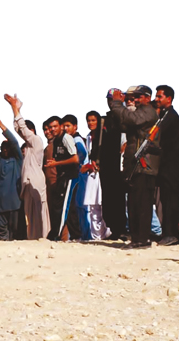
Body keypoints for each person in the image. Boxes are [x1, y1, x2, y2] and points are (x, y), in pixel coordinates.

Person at [108, 85, 159, 248]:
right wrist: (115, 107)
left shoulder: (148, 112)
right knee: (134, 204)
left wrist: (117, 104)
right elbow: (123, 124)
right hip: (135, 166)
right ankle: (137, 238)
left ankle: (141, 239)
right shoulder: (139, 112)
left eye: (138, 96)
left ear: (147, 97)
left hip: (144, 166)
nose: (135, 100)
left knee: (142, 204)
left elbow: (132, 119)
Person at [5, 93, 49, 239]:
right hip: (27, 184)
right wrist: (16, 109)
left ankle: (43, 237)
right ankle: (33, 239)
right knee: (29, 216)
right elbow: (19, 129)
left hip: (36, 182)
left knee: (40, 213)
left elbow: (22, 128)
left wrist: (14, 108)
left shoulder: (36, 140)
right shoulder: (27, 147)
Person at [154, 85, 179, 245]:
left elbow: (157, 133)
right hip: (165, 167)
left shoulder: (171, 116)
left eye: (159, 96)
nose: (156, 99)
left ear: (169, 98)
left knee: (170, 202)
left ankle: (171, 234)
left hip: (171, 168)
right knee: (165, 201)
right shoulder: (164, 115)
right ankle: (168, 233)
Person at [0, 116, 23, 240]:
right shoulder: (1, 160)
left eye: (7, 148)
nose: (5, 150)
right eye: (3, 148)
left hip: (14, 202)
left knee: (15, 230)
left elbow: (14, 142)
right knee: (1, 232)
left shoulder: (17, 160)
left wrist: (1, 125)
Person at [44, 115, 81, 240]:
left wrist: (56, 164)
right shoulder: (56, 140)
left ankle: (55, 235)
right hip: (62, 177)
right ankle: (76, 235)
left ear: (60, 126)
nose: (53, 129)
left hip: (70, 177)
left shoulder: (66, 138)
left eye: (55, 126)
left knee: (63, 206)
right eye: (50, 127)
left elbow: (75, 158)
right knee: (68, 208)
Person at [99, 89, 127, 241]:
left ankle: (122, 229)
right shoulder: (106, 119)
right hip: (107, 164)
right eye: (109, 99)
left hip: (119, 165)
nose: (111, 102)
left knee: (118, 199)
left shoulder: (123, 116)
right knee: (108, 199)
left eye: (113, 99)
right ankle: (114, 229)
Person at [81, 111, 110, 240]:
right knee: (93, 207)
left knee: (103, 204)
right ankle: (96, 236)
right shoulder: (88, 137)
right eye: (88, 120)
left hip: (102, 173)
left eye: (93, 120)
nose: (90, 123)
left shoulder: (104, 136)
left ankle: (106, 233)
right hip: (91, 174)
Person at [62, 114, 90, 240]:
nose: (66, 129)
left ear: (75, 127)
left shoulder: (77, 140)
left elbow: (81, 154)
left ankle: (78, 235)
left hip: (78, 177)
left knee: (74, 206)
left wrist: (77, 164)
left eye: (68, 126)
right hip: (78, 177)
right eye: (64, 126)